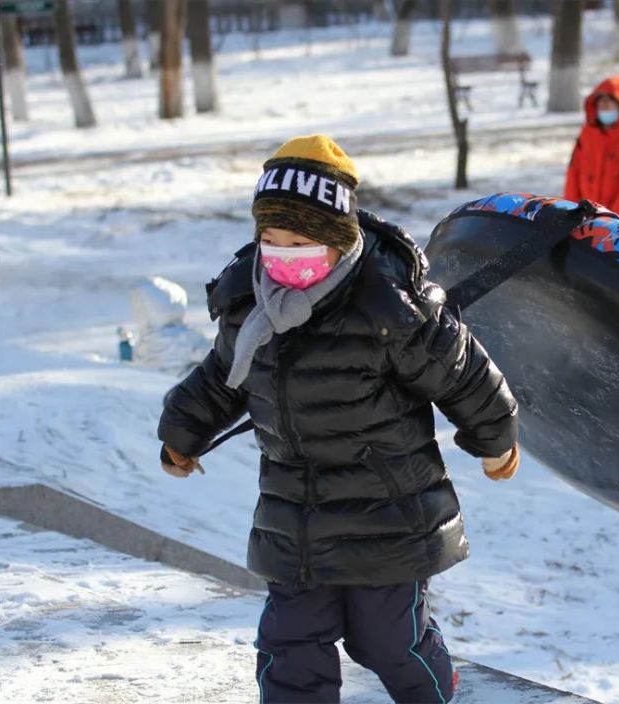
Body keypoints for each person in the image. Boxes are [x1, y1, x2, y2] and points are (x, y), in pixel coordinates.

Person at [156, 135, 520, 703]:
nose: (281, 254)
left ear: (337, 241)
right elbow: (223, 374)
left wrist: (496, 441)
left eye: (299, 241)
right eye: (271, 240)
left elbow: (463, 374)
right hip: (293, 516)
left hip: (388, 514)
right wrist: (182, 431)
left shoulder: (391, 307)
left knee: (389, 643)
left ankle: (436, 691)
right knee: (290, 645)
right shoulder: (251, 303)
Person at [564, 74, 619, 226]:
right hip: (584, 221)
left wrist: (612, 219)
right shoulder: (585, 137)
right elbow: (573, 175)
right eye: (600, 102)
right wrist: (573, 212)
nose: (604, 106)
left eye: (610, 102)